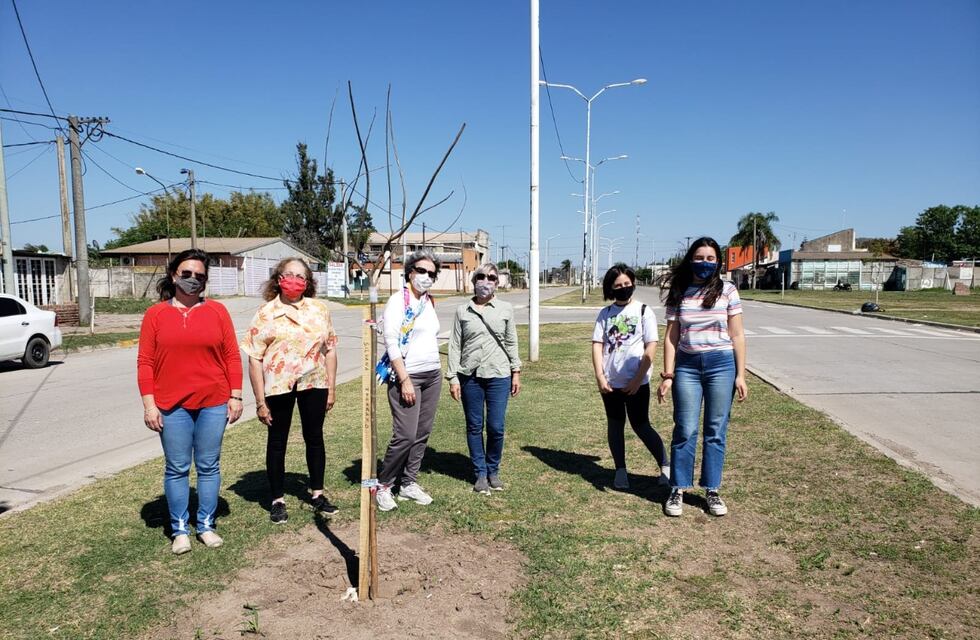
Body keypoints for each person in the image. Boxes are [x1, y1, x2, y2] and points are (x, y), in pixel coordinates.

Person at [137, 249, 243, 555]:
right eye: (186, 274)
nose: (193, 279)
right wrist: (149, 404)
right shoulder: (155, 315)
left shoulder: (218, 312)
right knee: (177, 467)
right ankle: (180, 529)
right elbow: (145, 362)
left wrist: (235, 395)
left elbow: (232, 356)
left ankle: (206, 525)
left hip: (213, 402)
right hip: (171, 406)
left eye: (199, 275)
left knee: (209, 466)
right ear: (174, 276)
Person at [241, 258, 339, 524]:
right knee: (277, 440)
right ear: (278, 278)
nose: (294, 280)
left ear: (308, 282)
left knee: (315, 437)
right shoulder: (265, 313)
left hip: (314, 382)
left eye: (300, 276)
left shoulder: (319, 310)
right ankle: (277, 500)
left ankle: (317, 493)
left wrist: (331, 387)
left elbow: (330, 350)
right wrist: (260, 401)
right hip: (278, 385)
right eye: (289, 274)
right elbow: (254, 357)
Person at [657, 237, 748, 517]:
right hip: (687, 366)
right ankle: (678, 488)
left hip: (722, 365)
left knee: (716, 430)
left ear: (718, 262)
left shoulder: (728, 290)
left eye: (710, 258)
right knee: (685, 428)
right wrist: (668, 374)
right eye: (699, 257)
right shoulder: (679, 290)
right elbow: (671, 337)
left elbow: (737, 334)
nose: (704, 263)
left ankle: (712, 489)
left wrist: (741, 375)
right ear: (690, 259)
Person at [375, 250, 443, 511]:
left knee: (422, 433)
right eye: (421, 270)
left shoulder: (429, 301)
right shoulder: (397, 301)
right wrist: (404, 380)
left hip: (432, 374)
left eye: (431, 274)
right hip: (408, 375)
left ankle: (408, 482)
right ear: (410, 272)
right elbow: (391, 342)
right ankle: (384, 484)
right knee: (405, 434)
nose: (426, 277)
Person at [591, 263, 669, 491]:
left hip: (637, 383)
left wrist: (637, 380)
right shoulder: (605, 314)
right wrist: (600, 376)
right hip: (610, 383)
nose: (623, 288)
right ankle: (620, 470)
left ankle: (665, 465)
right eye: (618, 285)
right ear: (610, 288)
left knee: (641, 425)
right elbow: (597, 345)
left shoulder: (644, 311)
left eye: (627, 283)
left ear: (633, 284)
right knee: (615, 425)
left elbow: (651, 347)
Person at [446, 263, 522, 495]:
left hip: (499, 374)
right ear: (474, 281)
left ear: (497, 283)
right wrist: (452, 377)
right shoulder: (463, 310)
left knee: (496, 427)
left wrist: (516, 371)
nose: (486, 281)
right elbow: (455, 345)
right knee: (474, 425)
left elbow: (511, 341)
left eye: (491, 277)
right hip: (470, 376)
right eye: (481, 277)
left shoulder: (505, 308)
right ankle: (480, 473)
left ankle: (493, 470)